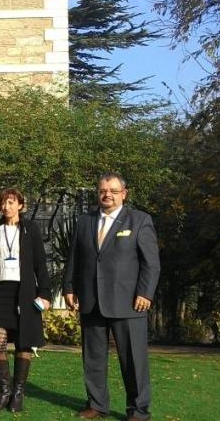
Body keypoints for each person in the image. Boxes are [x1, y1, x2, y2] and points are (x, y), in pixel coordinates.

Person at [64, 172, 160, 421]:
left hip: (129, 302)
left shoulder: (139, 220)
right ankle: (96, 405)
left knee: (133, 361)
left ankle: (138, 411)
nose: (107, 195)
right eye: (103, 191)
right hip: (91, 300)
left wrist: (145, 293)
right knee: (93, 359)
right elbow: (74, 258)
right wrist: (69, 288)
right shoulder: (84, 221)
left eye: (113, 191)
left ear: (123, 194)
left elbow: (151, 263)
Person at [0, 188, 52, 412]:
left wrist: (45, 294)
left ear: (20, 205)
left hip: (24, 292)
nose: (6, 207)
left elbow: (40, 263)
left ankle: (18, 393)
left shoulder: (30, 229)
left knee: (23, 341)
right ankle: (4, 391)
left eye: (11, 202)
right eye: (3, 203)